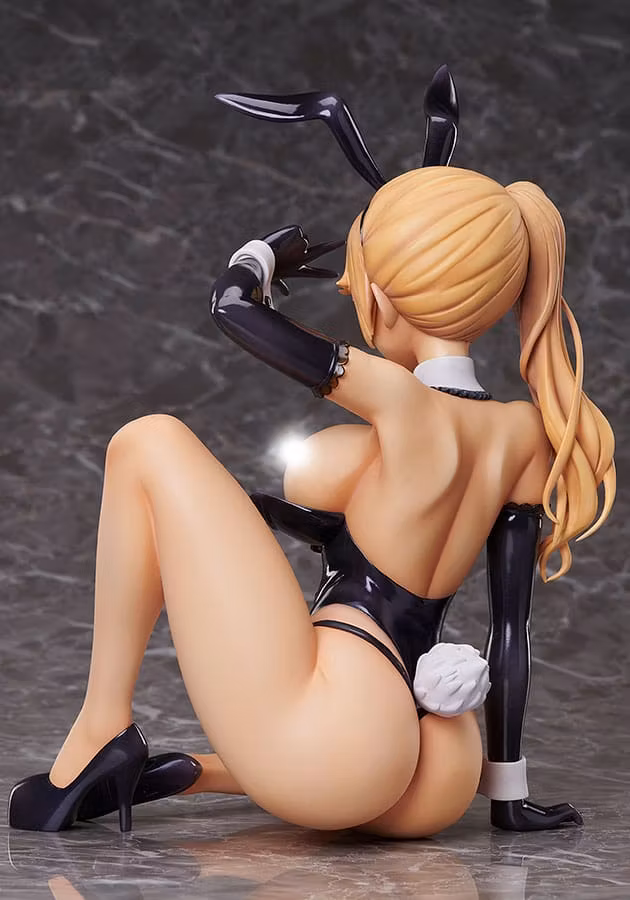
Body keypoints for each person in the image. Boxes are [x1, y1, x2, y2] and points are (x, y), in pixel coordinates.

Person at [9, 69, 615, 838]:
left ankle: (102, 730)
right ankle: (192, 773)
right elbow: (509, 634)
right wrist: (508, 797)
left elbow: (230, 309)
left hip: (339, 738)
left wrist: (259, 258)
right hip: (433, 771)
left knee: (146, 440)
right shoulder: (523, 434)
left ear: (383, 297)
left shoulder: (403, 402)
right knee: (335, 733)